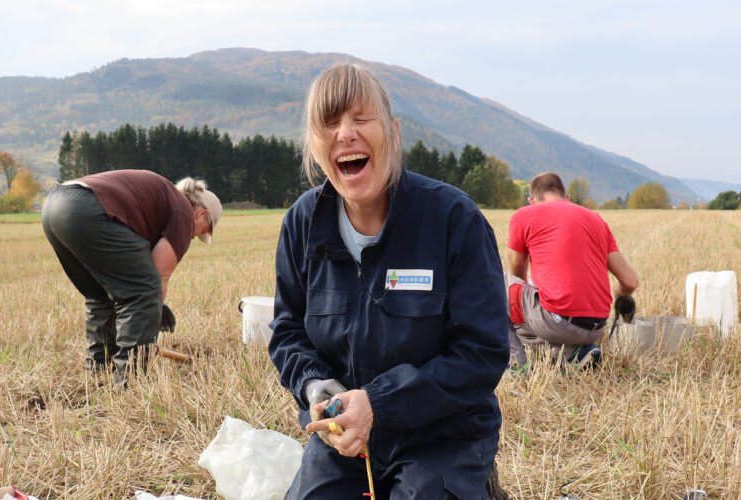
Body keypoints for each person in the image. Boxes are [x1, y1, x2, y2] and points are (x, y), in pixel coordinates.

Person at [269, 63, 509, 499]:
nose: (345, 134)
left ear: (393, 132)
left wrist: (379, 402)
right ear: (314, 145)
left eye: (361, 119)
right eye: (330, 123)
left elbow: (483, 352)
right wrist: (314, 386)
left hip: (443, 434)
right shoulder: (302, 223)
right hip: (346, 437)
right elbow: (287, 331)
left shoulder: (453, 219)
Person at [41, 170, 221, 386]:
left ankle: (100, 367)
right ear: (201, 214)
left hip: (54, 205)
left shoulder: (165, 198)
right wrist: (150, 318)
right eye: (202, 231)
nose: (194, 236)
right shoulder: (183, 212)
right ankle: (130, 380)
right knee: (143, 293)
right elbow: (156, 277)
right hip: (88, 210)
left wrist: (149, 313)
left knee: (100, 293)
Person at [505, 172, 639, 370]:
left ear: (531, 201)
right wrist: (621, 295)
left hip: (557, 323)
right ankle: (572, 354)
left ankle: (515, 367)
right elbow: (630, 281)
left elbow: (518, 280)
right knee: (530, 317)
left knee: (496, 283)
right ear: (566, 197)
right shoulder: (597, 220)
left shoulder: (524, 215)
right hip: (595, 328)